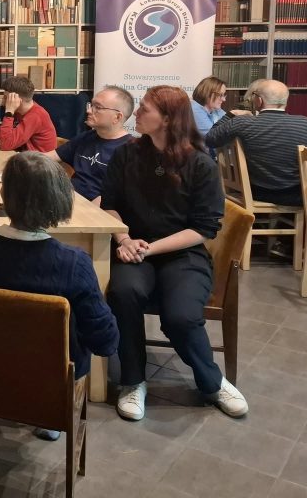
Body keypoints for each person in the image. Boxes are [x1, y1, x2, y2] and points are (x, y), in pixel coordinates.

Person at [103, 85, 248, 422]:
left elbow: (203, 229)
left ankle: (212, 382)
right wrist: (124, 238)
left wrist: (148, 248)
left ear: (167, 119)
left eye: (145, 109)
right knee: (124, 292)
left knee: (181, 315)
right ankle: (132, 381)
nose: (137, 114)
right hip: (131, 247)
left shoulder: (199, 164)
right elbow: (109, 205)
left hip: (182, 253)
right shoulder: (126, 155)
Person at [0, 151, 119, 440]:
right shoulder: (73, 263)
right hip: (49, 377)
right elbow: (104, 341)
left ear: (2, 195)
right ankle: (49, 414)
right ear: (60, 199)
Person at [205, 78, 307, 207]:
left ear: (259, 100)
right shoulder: (306, 125)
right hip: (293, 195)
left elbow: (210, 139)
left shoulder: (242, 122)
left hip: (254, 191)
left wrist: (230, 114)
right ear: (285, 101)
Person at [44, 85, 134, 204]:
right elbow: (50, 157)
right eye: (91, 105)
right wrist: (24, 160)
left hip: (96, 209)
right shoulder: (86, 137)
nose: (89, 111)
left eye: (98, 107)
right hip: (68, 199)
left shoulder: (130, 150)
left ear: (117, 117)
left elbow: (119, 196)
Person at [0, 74, 57, 152]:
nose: (3, 101)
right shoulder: (19, 112)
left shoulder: (36, 115)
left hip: (39, 159)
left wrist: (9, 112)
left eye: (6, 98)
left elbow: (6, 144)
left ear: (17, 100)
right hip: (26, 156)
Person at [191, 76, 228, 140]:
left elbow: (230, 124)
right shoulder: (195, 109)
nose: (224, 99)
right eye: (220, 95)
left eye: (224, 95)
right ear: (207, 93)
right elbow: (214, 137)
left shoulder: (215, 109)